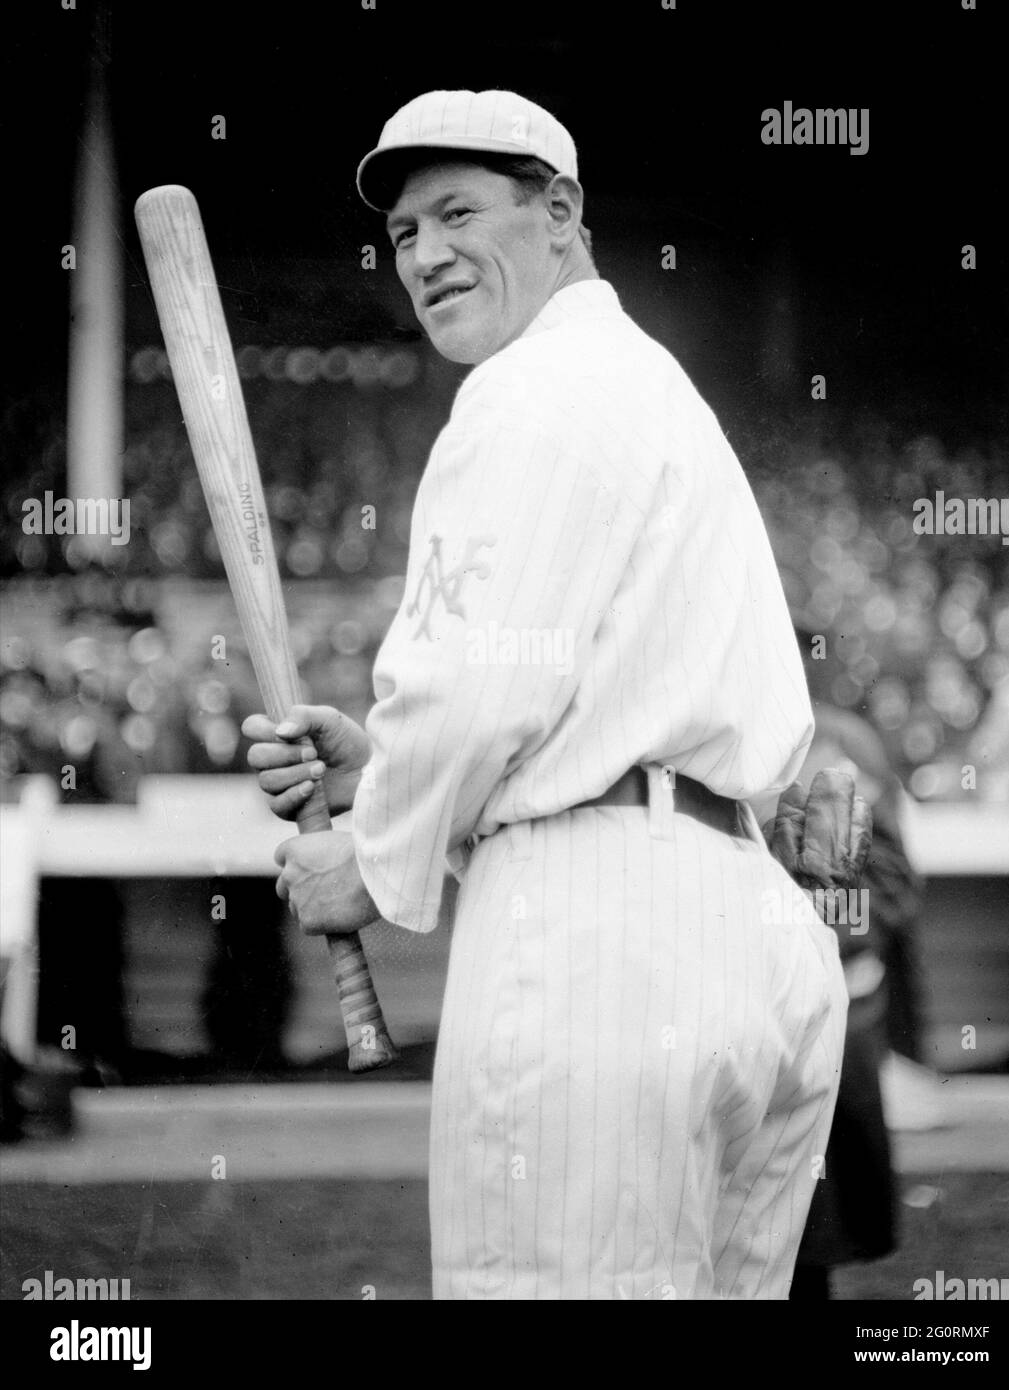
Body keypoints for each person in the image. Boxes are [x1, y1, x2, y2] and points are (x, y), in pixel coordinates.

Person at [243, 89, 853, 1300]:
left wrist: (364, 855)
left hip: (597, 945)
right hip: (753, 932)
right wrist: (395, 777)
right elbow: (578, 697)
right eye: (403, 234)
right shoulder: (655, 387)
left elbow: (472, 697)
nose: (422, 255)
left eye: (456, 211)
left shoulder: (526, 388)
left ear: (561, 211)